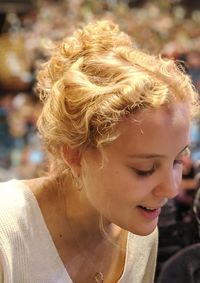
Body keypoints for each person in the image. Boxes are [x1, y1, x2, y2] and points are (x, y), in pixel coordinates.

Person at [0, 20, 199, 283]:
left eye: (177, 161)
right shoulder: (7, 235)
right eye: (145, 170)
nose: (171, 189)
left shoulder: (141, 233)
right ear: (75, 154)